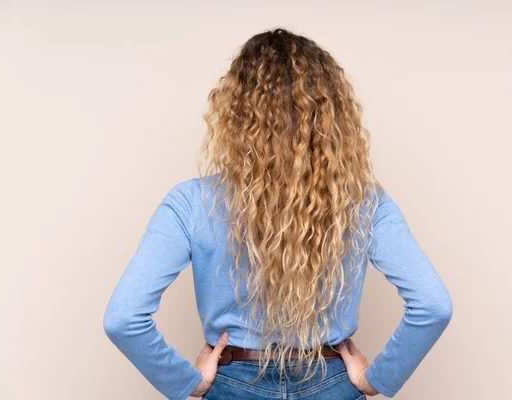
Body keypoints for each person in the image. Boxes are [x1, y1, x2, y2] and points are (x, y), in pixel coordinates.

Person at [103, 27, 453, 400]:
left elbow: (124, 318)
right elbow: (432, 305)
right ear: (332, 115)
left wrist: (187, 382)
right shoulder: (364, 202)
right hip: (331, 383)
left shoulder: (192, 202)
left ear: (235, 114)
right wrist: (378, 378)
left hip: (232, 385)